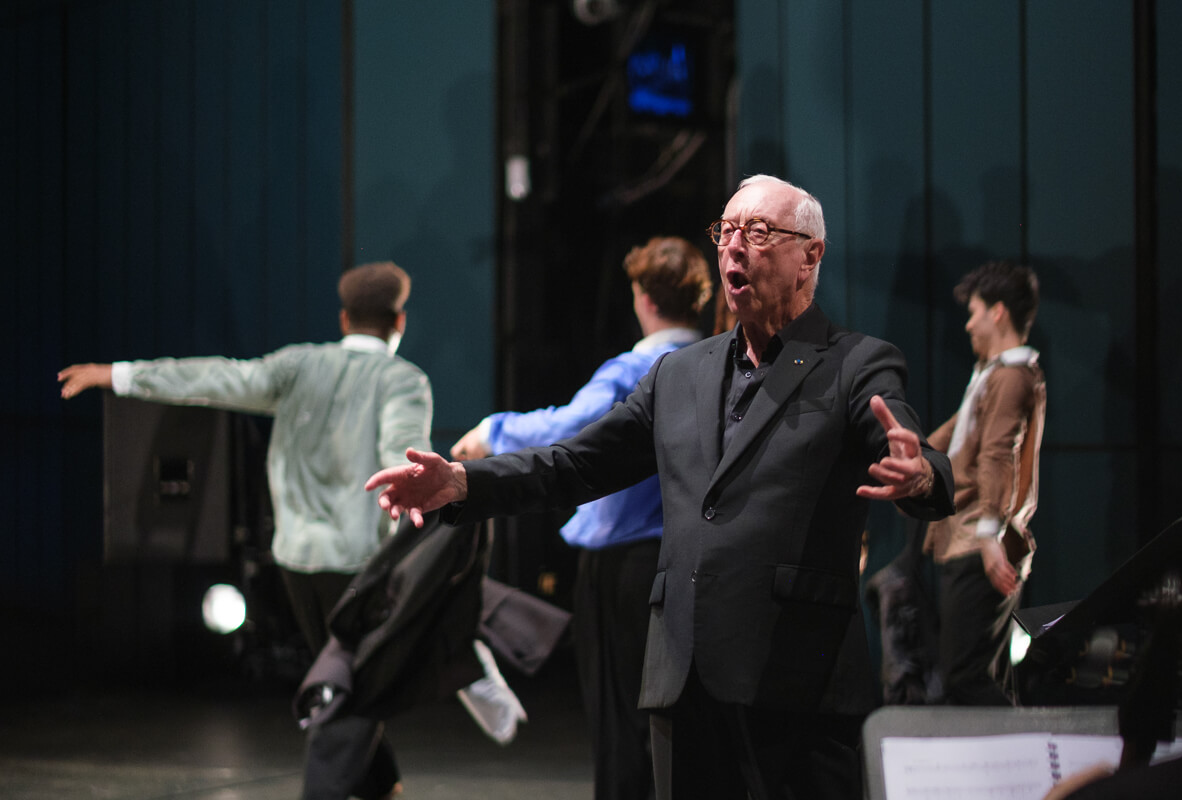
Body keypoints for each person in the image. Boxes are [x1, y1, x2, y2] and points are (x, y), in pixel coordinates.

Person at [363, 174, 955, 799]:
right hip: (684, 681)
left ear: (811, 254)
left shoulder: (857, 362)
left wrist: (921, 477)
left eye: (758, 232)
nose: (734, 247)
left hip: (796, 685)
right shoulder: (680, 373)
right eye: (725, 232)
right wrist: (462, 483)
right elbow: (576, 463)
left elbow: (920, 456)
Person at [59, 261, 429, 800]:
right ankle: (339, 788)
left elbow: (215, 378)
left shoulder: (298, 365)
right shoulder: (404, 380)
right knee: (356, 686)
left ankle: (384, 787)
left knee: (348, 679)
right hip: (358, 563)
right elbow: (402, 458)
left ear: (345, 318)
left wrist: (117, 373)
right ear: (398, 321)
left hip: (298, 563)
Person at [450, 236, 712, 800]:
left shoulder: (635, 369)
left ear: (643, 298)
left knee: (621, 719)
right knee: (681, 720)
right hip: (695, 565)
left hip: (627, 567)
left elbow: (571, 430)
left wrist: (490, 433)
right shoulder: (718, 366)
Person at [923, 260, 1045, 706]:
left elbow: (999, 453)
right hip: (967, 537)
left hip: (977, 541)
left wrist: (991, 534)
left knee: (966, 676)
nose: (968, 324)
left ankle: (1019, 763)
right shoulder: (994, 374)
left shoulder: (1012, 375)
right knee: (980, 672)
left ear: (997, 313)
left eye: (974, 312)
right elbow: (957, 436)